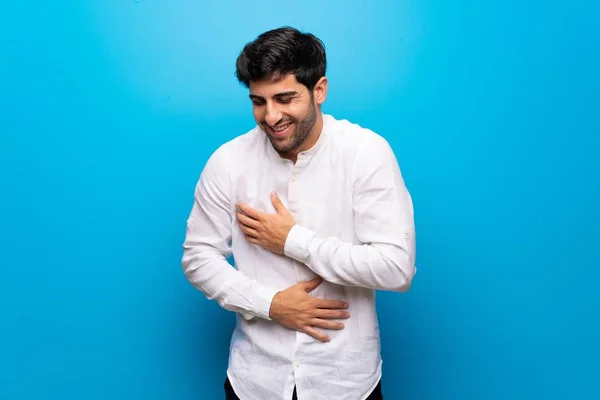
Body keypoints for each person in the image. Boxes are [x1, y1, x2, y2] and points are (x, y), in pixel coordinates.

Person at [181, 26, 416, 400]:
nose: (271, 116)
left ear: (319, 90)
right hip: (254, 381)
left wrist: (294, 241)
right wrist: (270, 305)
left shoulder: (366, 154)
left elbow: (395, 268)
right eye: (259, 101)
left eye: (285, 98)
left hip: (345, 382)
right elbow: (198, 256)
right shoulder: (228, 161)